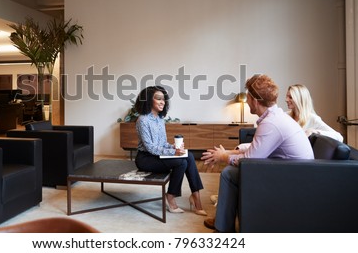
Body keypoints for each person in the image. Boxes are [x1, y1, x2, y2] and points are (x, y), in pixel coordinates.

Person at [201, 74, 314, 232]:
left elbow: (250, 161)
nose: (246, 101)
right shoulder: (275, 118)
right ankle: (223, 222)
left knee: (229, 173)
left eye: (247, 97)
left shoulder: (271, 123)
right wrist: (227, 152)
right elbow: (257, 148)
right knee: (230, 171)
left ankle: (224, 227)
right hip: (291, 171)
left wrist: (223, 156)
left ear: (255, 100)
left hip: (293, 178)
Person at [134, 86, 206, 215]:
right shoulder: (143, 120)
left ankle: (196, 196)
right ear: (149, 100)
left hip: (157, 155)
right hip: (146, 158)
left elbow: (162, 143)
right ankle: (171, 197)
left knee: (188, 156)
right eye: (159, 99)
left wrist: (172, 147)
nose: (163, 102)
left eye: (164, 99)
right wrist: (173, 153)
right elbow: (150, 147)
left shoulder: (160, 119)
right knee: (181, 162)